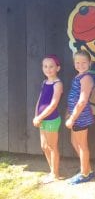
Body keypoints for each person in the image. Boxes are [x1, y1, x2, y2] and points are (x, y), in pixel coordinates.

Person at [65, 50, 95, 185]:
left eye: (84, 62)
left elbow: (82, 101)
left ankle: (85, 174)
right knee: (74, 142)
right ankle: (86, 167)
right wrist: (69, 114)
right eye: (77, 62)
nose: (80, 65)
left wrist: (72, 118)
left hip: (81, 116)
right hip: (75, 115)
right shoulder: (78, 76)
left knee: (82, 145)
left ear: (90, 63)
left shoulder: (86, 78)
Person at [33, 55, 63, 184]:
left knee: (52, 146)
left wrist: (40, 116)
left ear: (58, 68)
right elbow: (40, 101)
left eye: (51, 66)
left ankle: (55, 174)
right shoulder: (45, 82)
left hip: (51, 119)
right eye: (45, 66)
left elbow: (53, 104)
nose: (48, 69)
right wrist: (36, 115)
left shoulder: (58, 84)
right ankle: (52, 170)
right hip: (42, 119)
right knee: (44, 146)